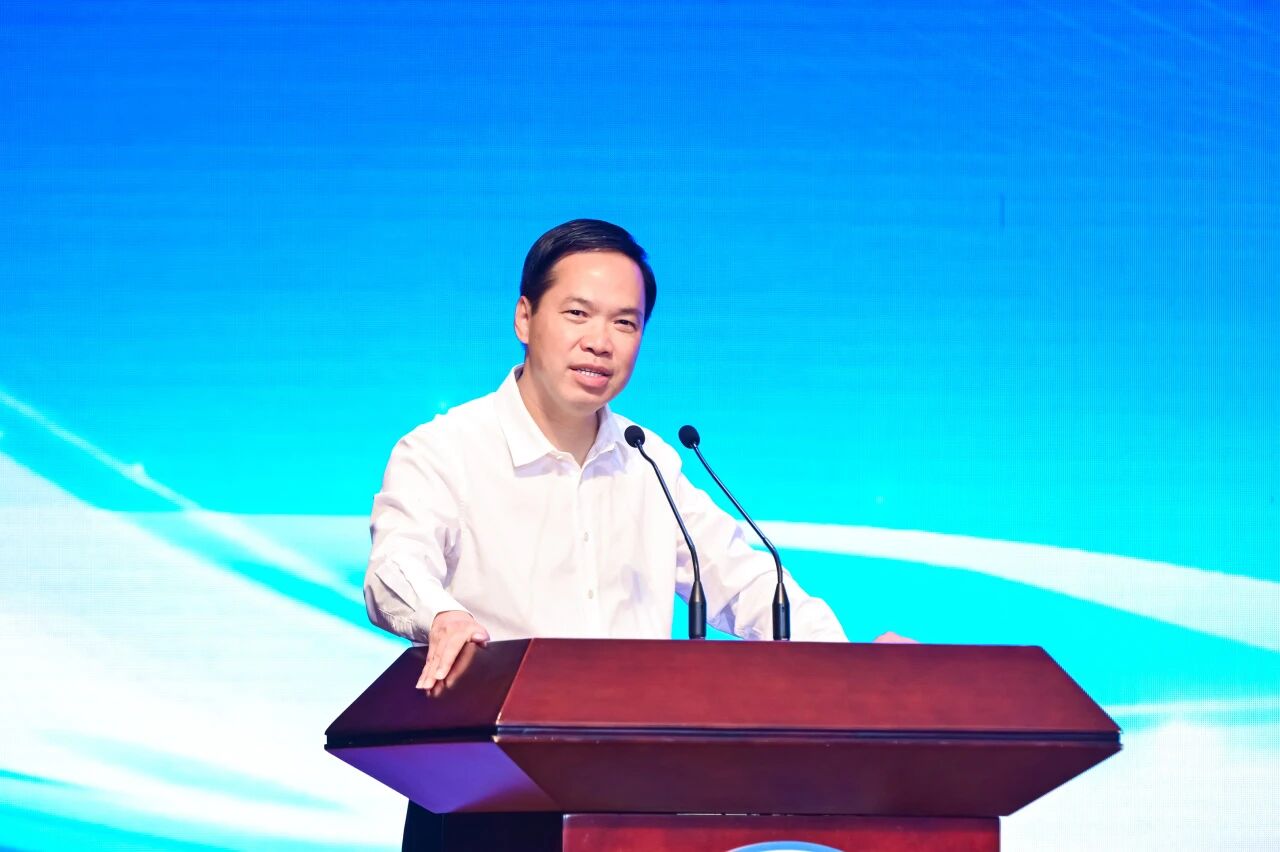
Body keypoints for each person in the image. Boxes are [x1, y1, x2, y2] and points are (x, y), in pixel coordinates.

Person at [365, 219, 849, 850]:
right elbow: (395, 566)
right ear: (524, 318)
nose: (599, 342)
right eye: (577, 313)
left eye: (625, 323)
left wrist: (856, 670)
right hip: (487, 796)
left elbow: (747, 582)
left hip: (633, 800)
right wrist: (441, 615)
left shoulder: (649, 461)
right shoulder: (445, 450)